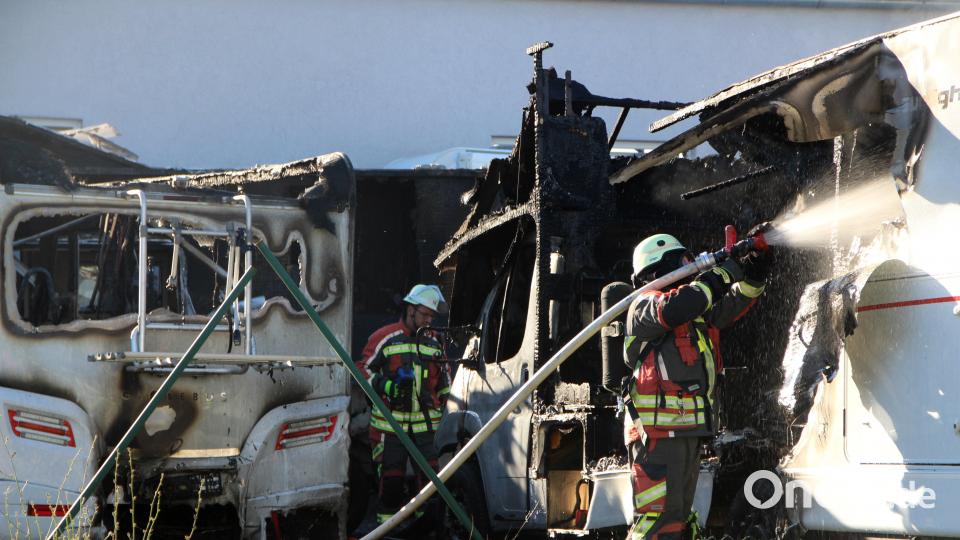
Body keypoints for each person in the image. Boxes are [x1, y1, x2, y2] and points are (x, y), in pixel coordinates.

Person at [623, 231, 770, 539]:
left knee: (679, 521)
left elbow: (737, 300)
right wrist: (720, 273)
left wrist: (755, 267)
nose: (690, 267)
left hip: (685, 432)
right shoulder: (643, 307)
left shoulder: (695, 313)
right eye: (682, 262)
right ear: (657, 270)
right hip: (657, 436)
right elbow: (681, 305)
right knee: (657, 521)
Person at [357, 284, 451, 526]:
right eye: (425, 314)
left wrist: (448, 407)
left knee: (431, 486)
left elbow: (444, 380)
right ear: (410, 310)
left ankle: (424, 528)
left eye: (432, 316)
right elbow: (362, 370)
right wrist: (388, 387)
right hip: (390, 428)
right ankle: (387, 531)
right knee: (391, 483)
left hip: (427, 429)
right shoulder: (384, 337)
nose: (429, 320)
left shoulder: (434, 342)